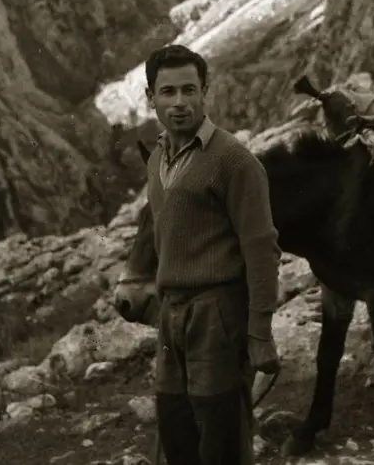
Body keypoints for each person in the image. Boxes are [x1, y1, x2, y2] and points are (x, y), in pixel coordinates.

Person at [143, 44, 282, 465]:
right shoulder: (156, 161)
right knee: (175, 425)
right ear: (151, 99)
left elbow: (261, 249)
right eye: (167, 92)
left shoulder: (234, 161)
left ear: (205, 91)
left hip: (217, 315)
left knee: (221, 437)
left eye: (189, 90)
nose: (179, 103)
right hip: (172, 317)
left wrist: (259, 333)